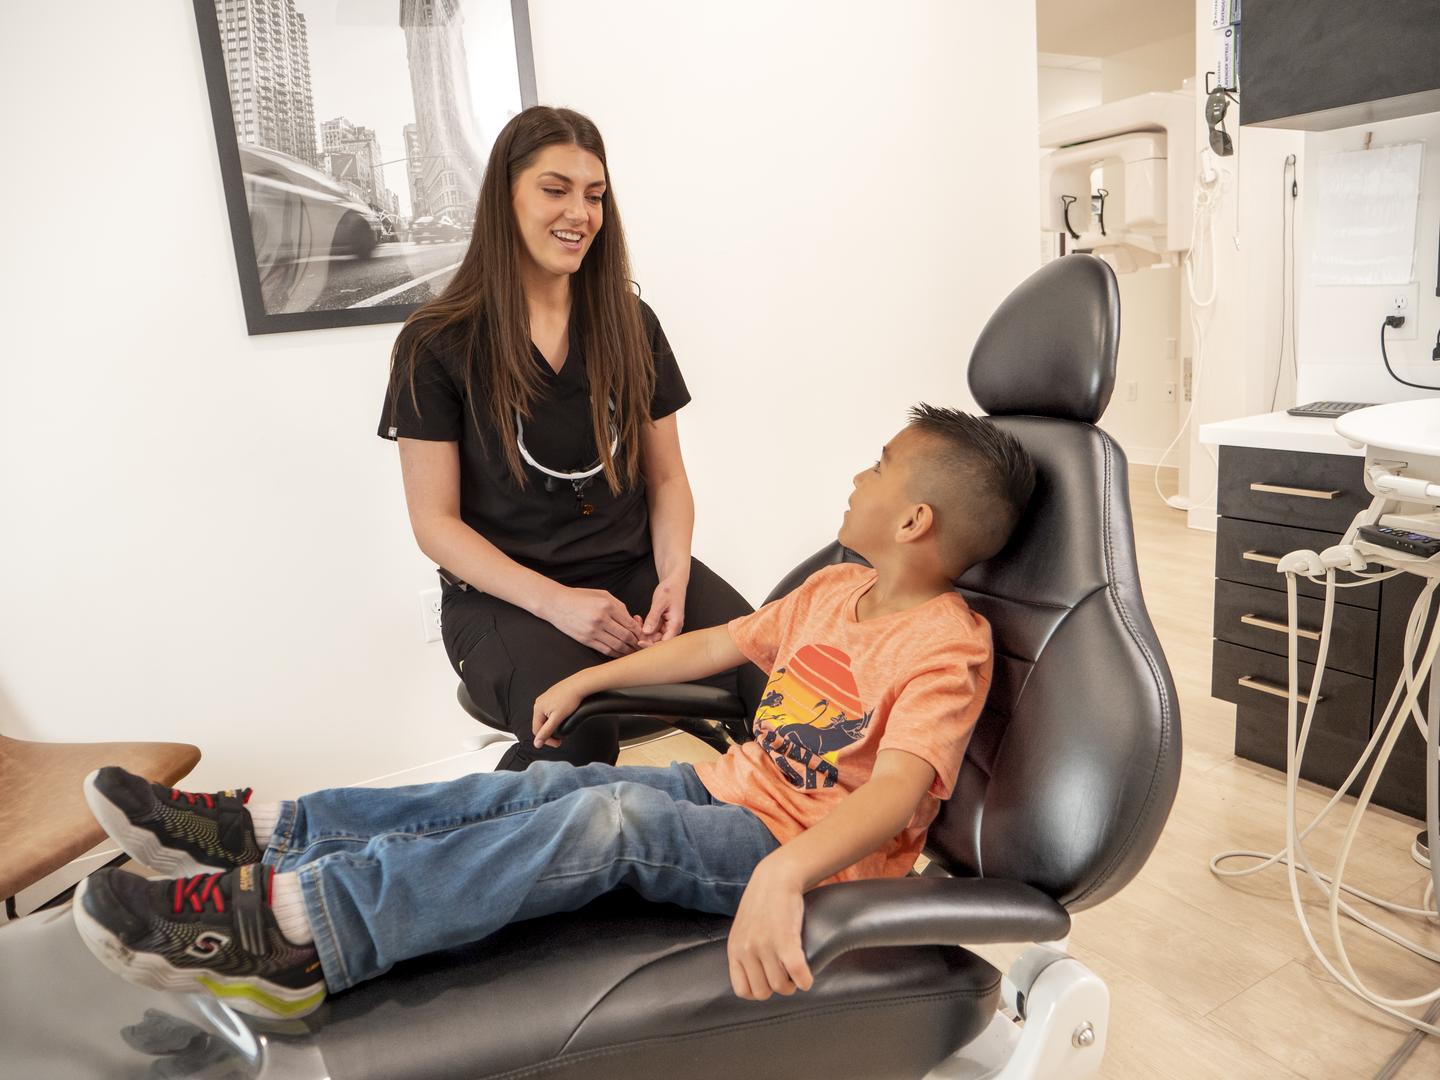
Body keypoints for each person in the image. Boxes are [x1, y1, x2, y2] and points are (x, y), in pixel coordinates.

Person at [72, 407, 1036, 1020]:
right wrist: (585, 682)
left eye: (880, 466)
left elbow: (902, 789)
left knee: (599, 818)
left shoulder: (948, 644)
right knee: (543, 788)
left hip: (805, 854)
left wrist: (786, 872)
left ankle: (297, 932)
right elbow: (717, 646)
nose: (859, 475)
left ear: (916, 521)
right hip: (723, 790)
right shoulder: (833, 593)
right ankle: (263, 835)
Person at [380, 105, 755, 770]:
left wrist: (674, 575)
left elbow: (667, 479)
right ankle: (462, 848)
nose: (578, 213)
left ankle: (763, 854)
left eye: (594, 195)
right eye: (555, 190)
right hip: (505, 599)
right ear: (506, 198)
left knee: (783, 676)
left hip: (636, 575)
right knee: (576, 731)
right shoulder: (435, 343)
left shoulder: (630, 324)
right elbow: (434, 523)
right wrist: (558, 605)